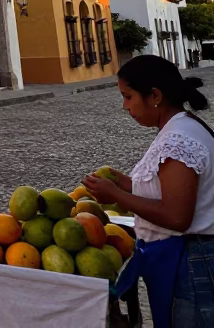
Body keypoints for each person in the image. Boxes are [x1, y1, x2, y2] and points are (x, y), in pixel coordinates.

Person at [82, 55, 214, 327]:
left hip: (193, 262)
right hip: (186, 259)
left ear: (154, 95)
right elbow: (169, 189)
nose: (125, 106)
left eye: (128, 97)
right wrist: (126, 183)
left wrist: (116, 196)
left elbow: (178, 216)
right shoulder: (179, 127)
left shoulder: (179, 140)